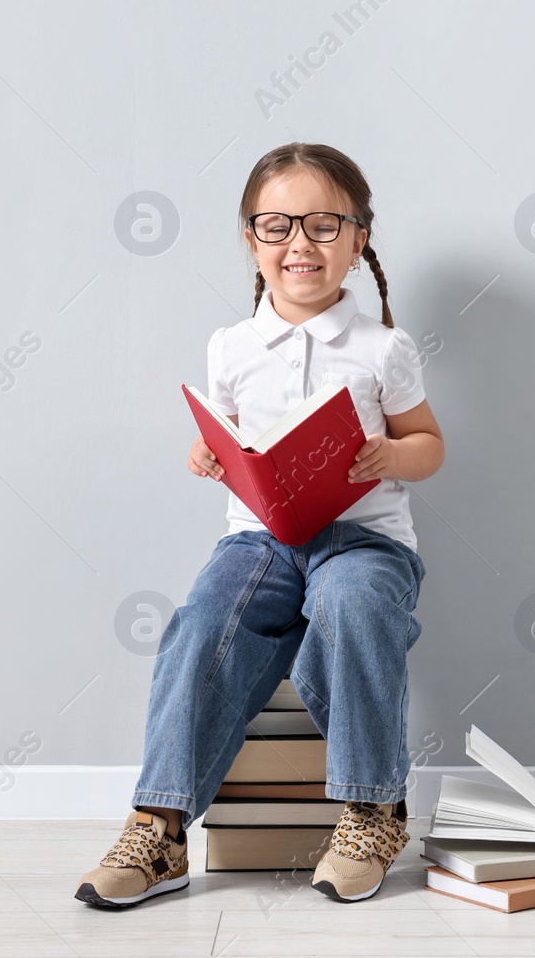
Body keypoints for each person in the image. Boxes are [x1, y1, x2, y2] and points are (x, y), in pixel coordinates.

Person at [75, 142, 444, 908]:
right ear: (252, 240)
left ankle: (372, 809)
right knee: (204, 617)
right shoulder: (231, 346)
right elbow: (229, 435)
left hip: (363, 541)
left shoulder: (384, 348)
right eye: (277, 227)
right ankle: (161, 825)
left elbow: (429, 445)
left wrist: (387, 456)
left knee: (350, 603)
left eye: (322, 225)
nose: (299, 245)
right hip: (260, 539)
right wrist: (209, 453)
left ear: (357, 239)